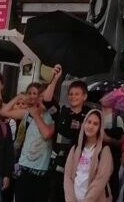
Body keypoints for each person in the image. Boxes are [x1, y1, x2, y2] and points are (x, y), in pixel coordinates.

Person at [2, 79, 58, 202]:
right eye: (41, 96)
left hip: (41, 171)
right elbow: (4, 111)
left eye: (46, 97)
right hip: (24, 167)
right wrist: (19, 97)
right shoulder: (28, 113)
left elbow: (47, 134)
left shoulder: (53, 116)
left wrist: (36, 115)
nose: (44, 99)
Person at [44, 71, 88, 202]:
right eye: (70, 94)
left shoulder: (89, 117)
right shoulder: (62, 112)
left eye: (77, 94)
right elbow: (47, 100)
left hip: (77, 169)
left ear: (84, 96)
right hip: (57, 166)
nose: (73, 97)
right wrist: (55, 78)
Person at [64, 109, 114, 202]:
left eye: (95, 124)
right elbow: (67, 176)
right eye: (89, 122)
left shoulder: (104, 150)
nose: (91, 126)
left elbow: (101, 179)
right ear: (84, 123)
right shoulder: (75, 149)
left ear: (100, 128)